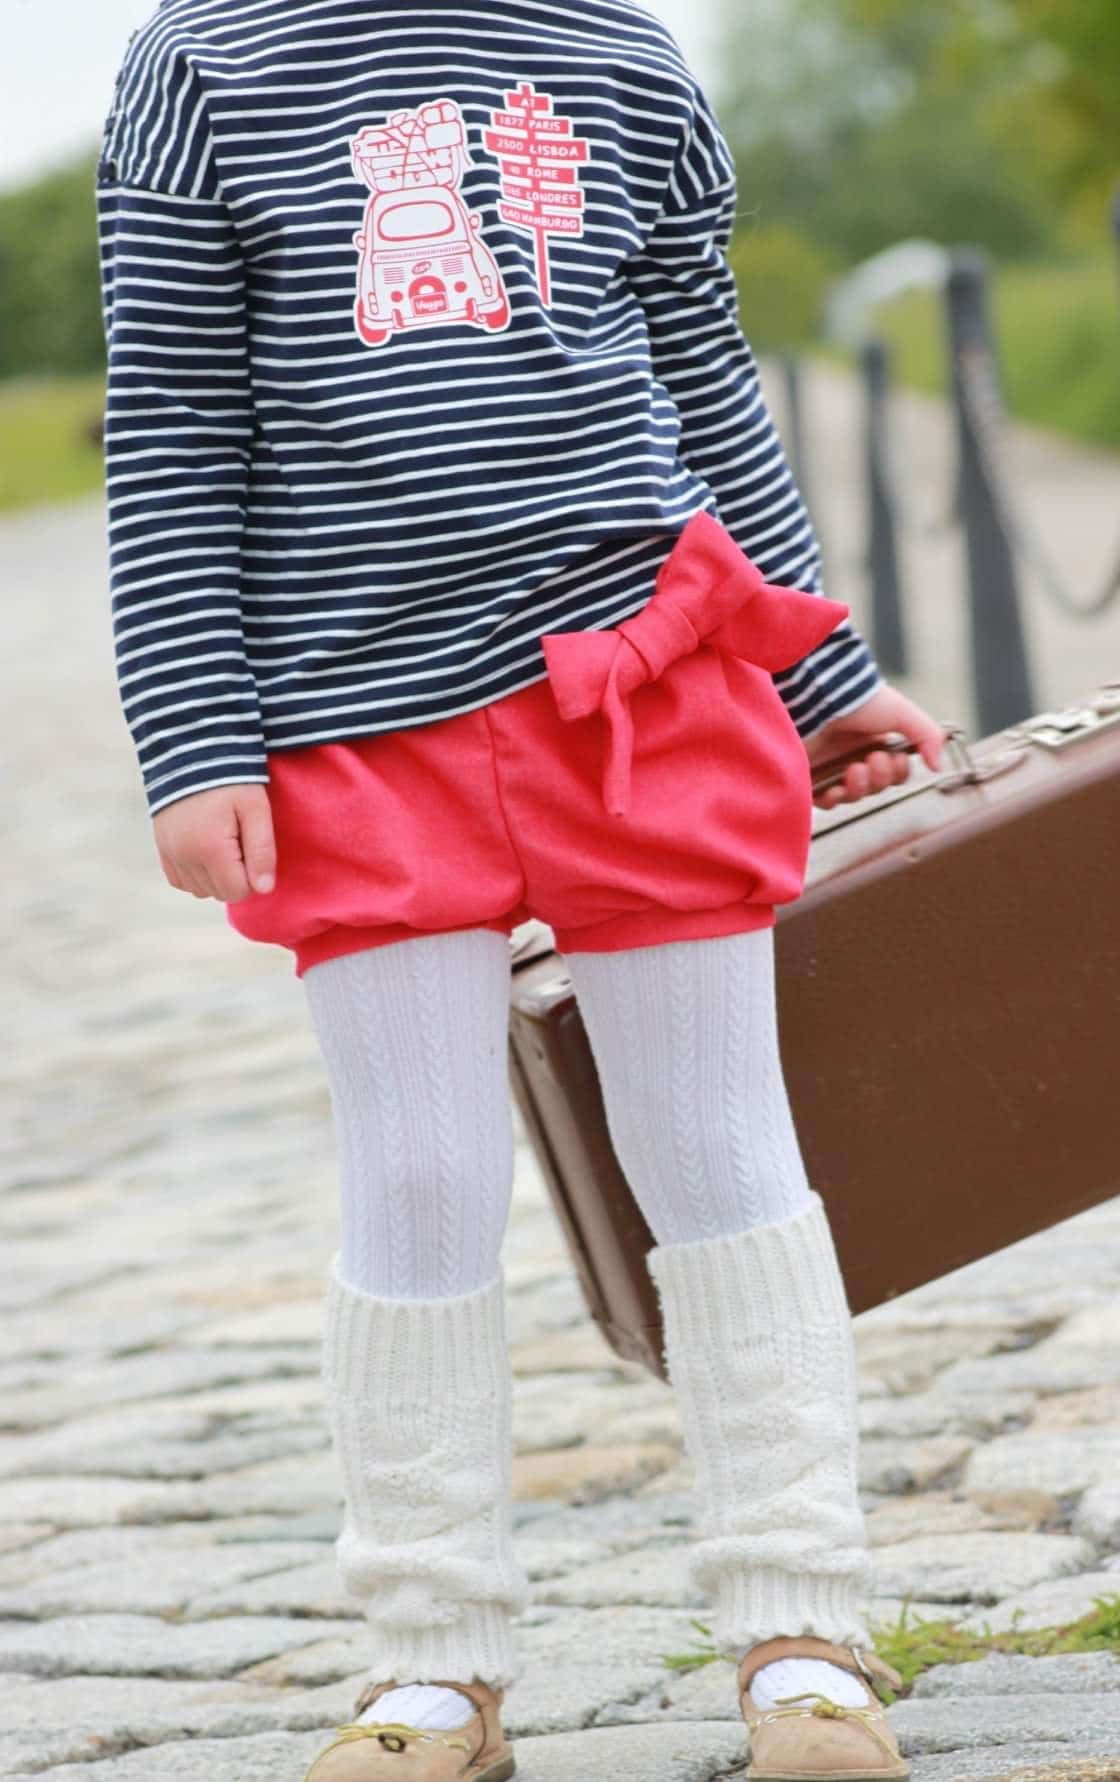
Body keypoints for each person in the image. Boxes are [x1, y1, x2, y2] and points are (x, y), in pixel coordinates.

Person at [97, 2, 943, 1776]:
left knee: (716, 1148)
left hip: (650, 684)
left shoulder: (620, 54)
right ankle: (432, 1662)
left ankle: (802, 1631)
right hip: (350, 721)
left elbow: (709, 378)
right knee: (419, 1171)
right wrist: (192, 736)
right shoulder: (204, 68)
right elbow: (170, 417)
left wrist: (818, 673)